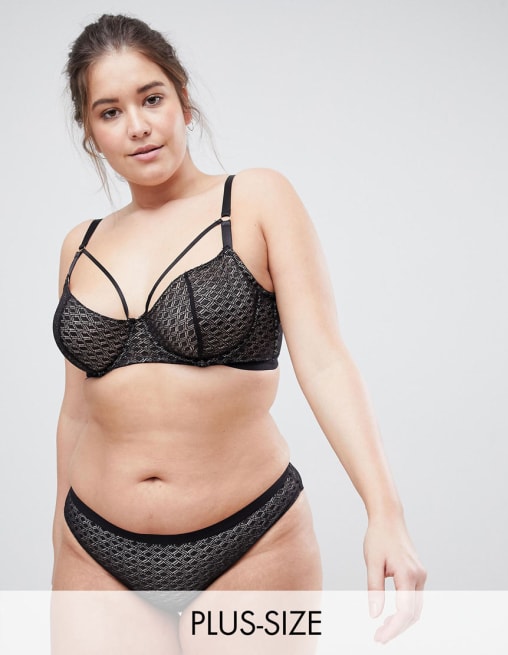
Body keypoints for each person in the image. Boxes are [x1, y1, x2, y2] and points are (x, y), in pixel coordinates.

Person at [52, 13, 426, 648]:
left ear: (183, 100)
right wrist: (58, 540)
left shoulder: (255, 201)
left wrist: (385, 512)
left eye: (151, 98)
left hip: (250, 545)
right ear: (91, 132)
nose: (137, 125)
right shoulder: (79, 246)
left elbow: (325, 360)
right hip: (93, 552)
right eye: (110, 112)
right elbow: (77, 412)